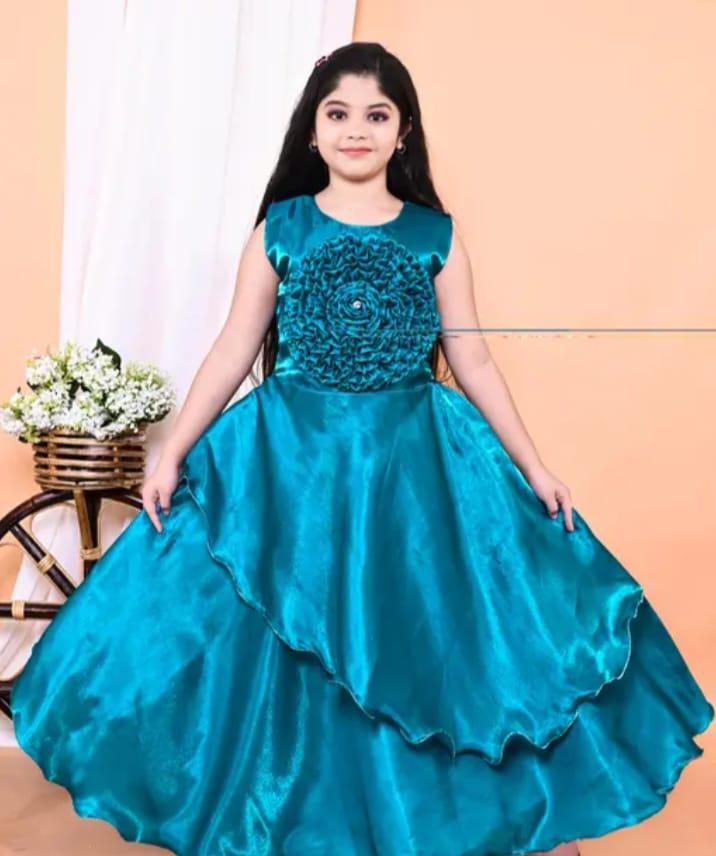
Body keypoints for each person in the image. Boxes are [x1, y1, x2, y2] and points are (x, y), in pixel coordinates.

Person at [10, 41, 713, 856]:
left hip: (412, 474)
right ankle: (293, 818)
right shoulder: (282, 229)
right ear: (312, 130)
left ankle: (436, 819)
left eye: (376, 116)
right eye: (338, 113)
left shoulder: (433, 237)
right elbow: (234, 347)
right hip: (292, 463)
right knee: (275, 634)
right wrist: (174, 453)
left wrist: (535, 467)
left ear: (402, 131)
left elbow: (474, 359)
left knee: (419, 637)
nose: (356, 130)